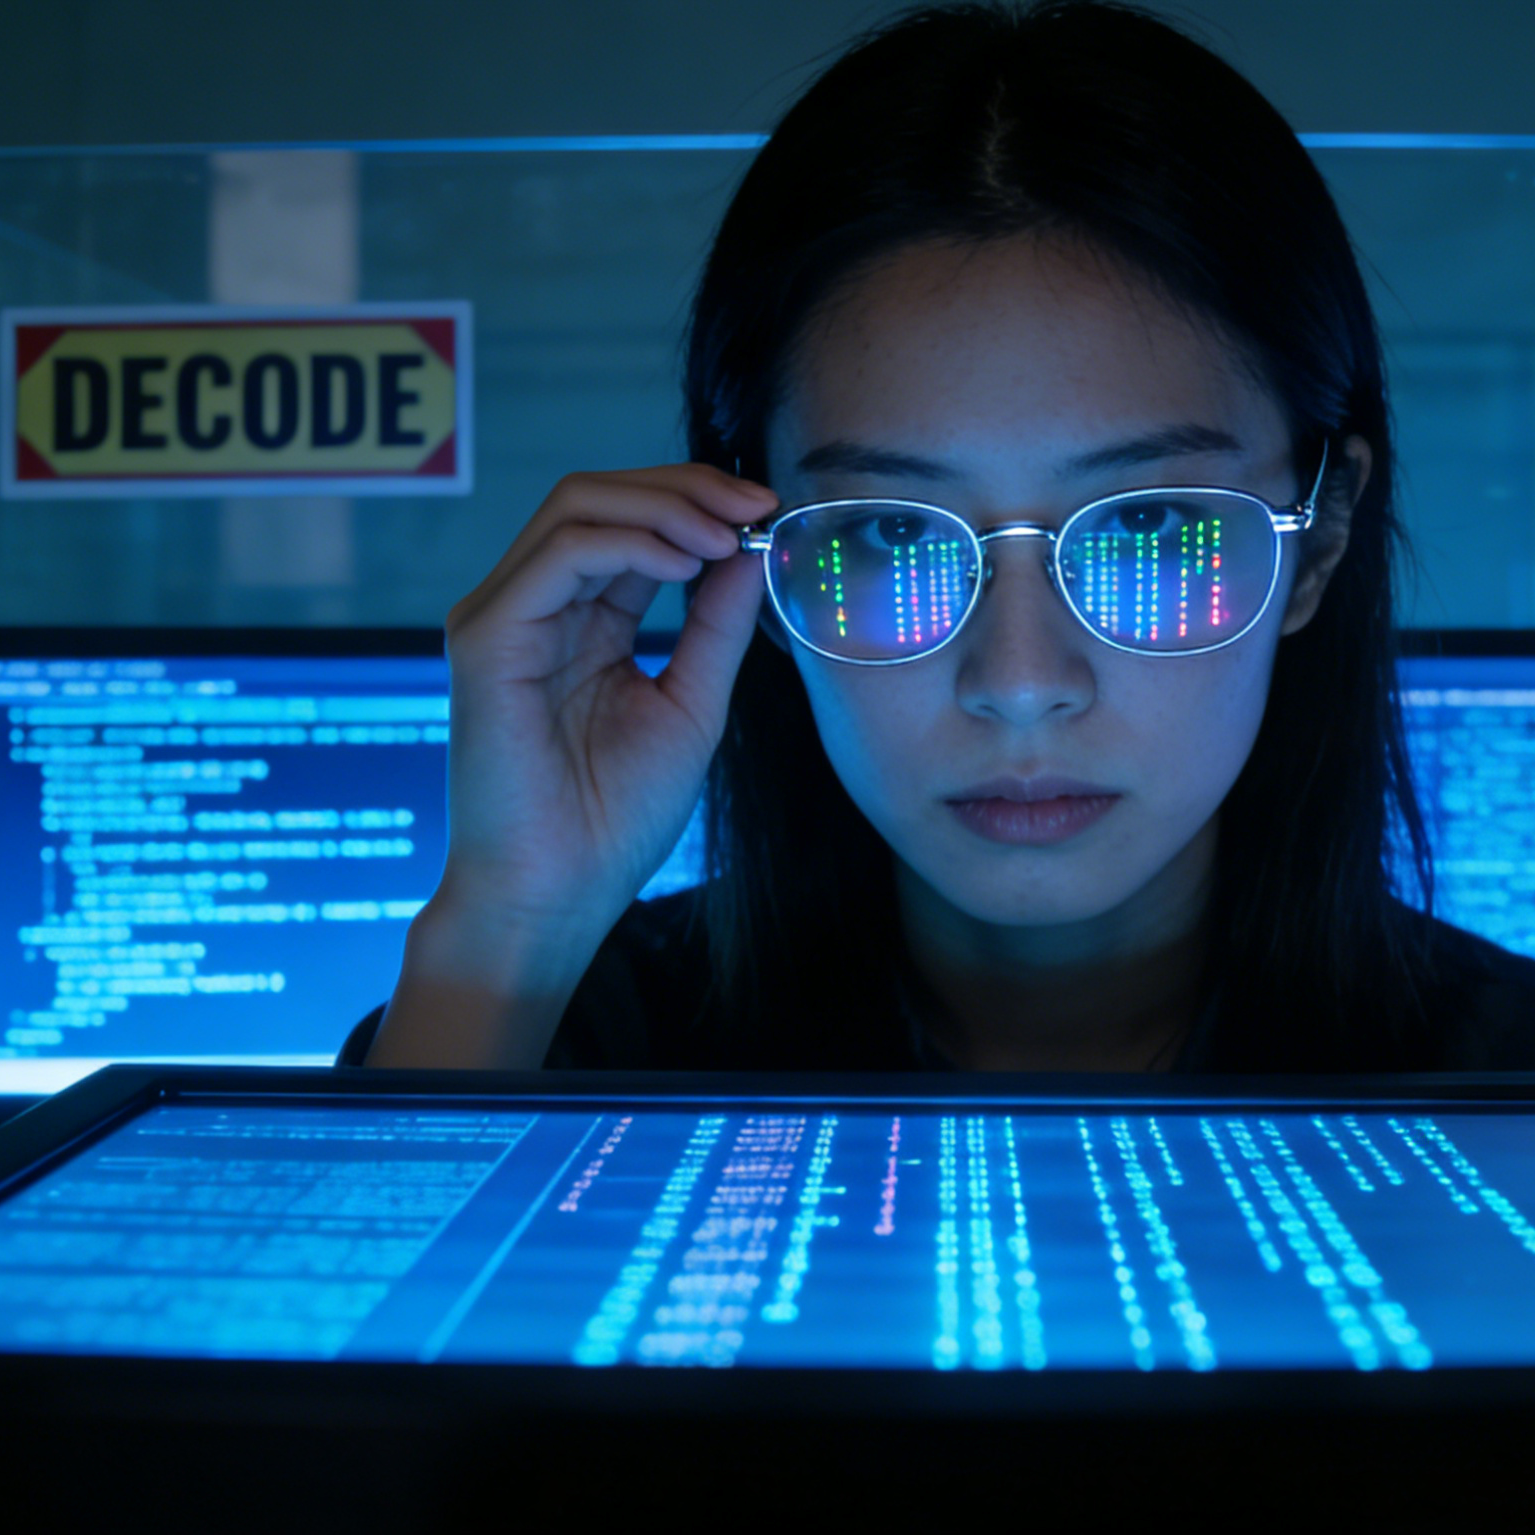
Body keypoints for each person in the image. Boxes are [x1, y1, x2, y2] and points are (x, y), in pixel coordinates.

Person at [344, 0, 1535, 1075]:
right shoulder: (564, 1037)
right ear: (742, 559)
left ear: (1317, 543)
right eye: (883, 536)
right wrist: (509, 917)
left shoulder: (1501, 1072)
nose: (1018, 685)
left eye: (1151, 526)